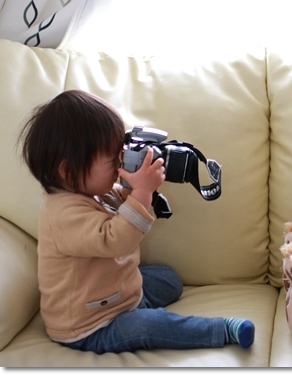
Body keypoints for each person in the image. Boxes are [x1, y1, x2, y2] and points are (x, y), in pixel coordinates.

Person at [18, 90, 254, 354]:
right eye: (113, 159)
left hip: (117, 293)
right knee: (152, 326)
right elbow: (115, 240)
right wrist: (142, 193)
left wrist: (135, 185)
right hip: (90, 324)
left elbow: (123, 204)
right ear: (68, 170)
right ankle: (221, 330)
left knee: (169, 279)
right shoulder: (61, 215)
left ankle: (136, 302)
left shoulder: (93, 190)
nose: (120, 162)